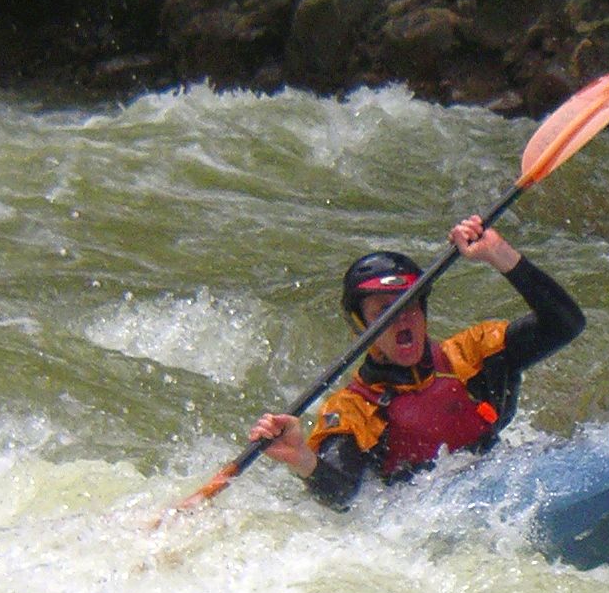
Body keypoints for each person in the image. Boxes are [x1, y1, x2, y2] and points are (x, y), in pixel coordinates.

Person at [248, 214, 585, 509]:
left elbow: (566, 324)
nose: (402, 319)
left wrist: (500, 255)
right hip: (436, 515)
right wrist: (303, 459)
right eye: (385, 312)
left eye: (409, 305)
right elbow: (341, 495)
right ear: (362, 326)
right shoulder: (355, 410)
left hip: (507, 478)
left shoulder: (472, 355)